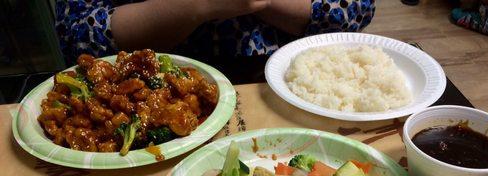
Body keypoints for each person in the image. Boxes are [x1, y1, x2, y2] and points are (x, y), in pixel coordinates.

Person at [55, 0, 376, 64]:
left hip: (292, 82)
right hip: (152, 83)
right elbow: (77, 36)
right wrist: (198, 5)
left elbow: (354, 11)